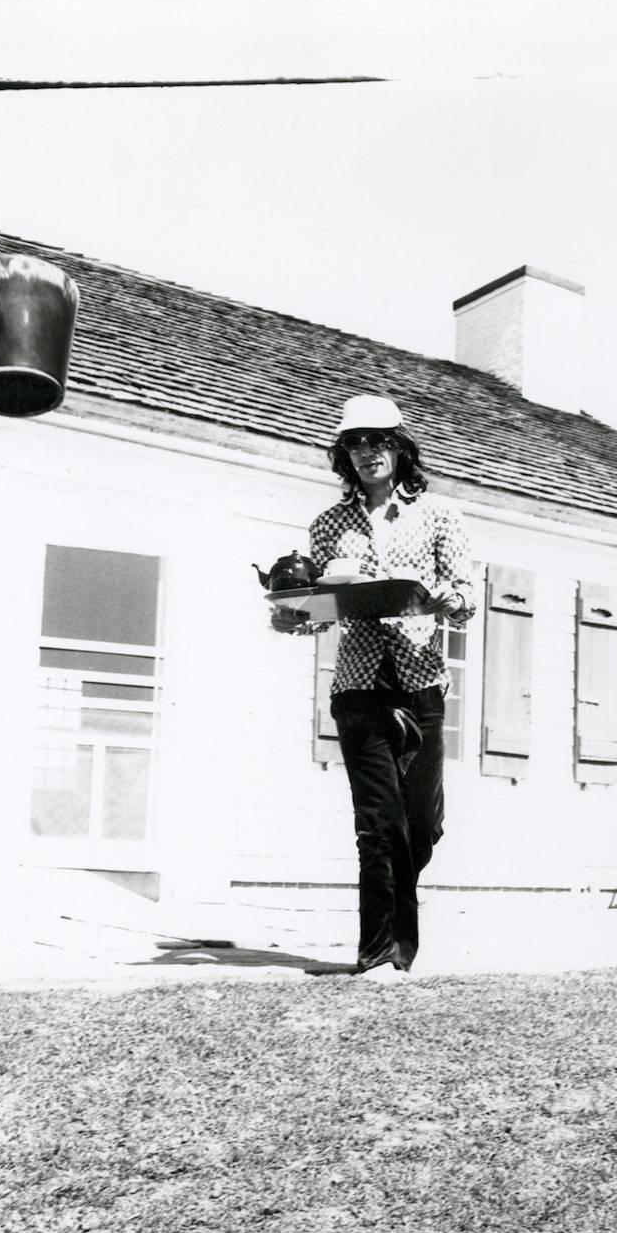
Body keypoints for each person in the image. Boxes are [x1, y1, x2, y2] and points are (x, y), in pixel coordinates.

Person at [271, 395, 476, 979]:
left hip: (421, 681)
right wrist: (292, 616)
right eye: (355, 443)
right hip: (358, 687)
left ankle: (392, 940)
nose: (368, 452)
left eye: (378, 441)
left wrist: (445, 600)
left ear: (401, 448)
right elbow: (318, 606)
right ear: (344, 455)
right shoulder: (328, 525)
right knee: (378, 823)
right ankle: (384, 950)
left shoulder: (440, 516)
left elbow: (466, 597)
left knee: (421, 825)